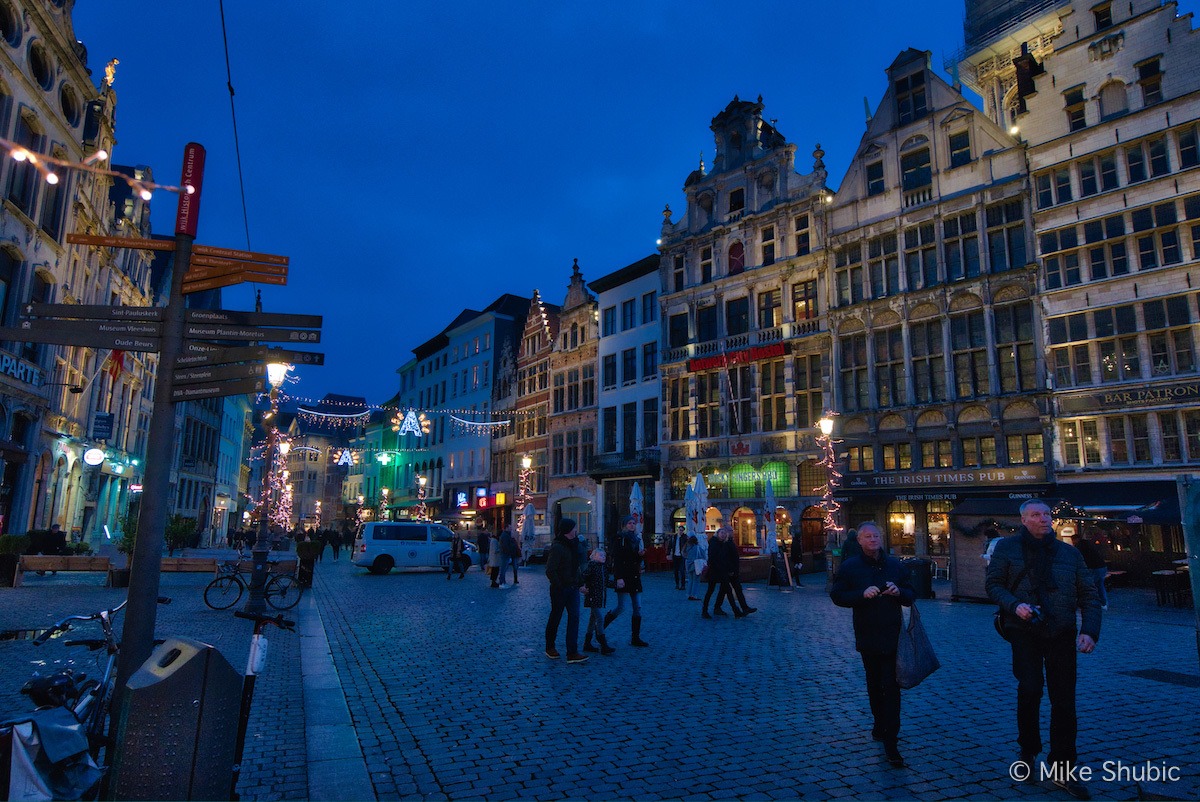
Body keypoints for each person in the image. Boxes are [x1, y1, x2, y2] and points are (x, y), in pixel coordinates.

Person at [986, 499, 1101, 801]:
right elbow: (994, 585)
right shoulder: (1006, 549)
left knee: (1064, 699)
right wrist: (1015, 605)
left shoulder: (1069, 553)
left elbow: (1089, 594)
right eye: (1036, 515)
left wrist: (1090, 631)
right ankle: (1028, 750)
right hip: (1023, 630)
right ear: (1023, 520)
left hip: (1061, 631)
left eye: (1047, 514)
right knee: (1031, 688)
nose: (1044, 519)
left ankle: (1063, 765)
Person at [830, 521, 914, 768]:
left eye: (876, 535)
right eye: (868, 536)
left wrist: (899, 591)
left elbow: (911, 595)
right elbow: (837, 596)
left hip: (892, 635)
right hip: (867, 635)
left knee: (891, 686)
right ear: (859, 540)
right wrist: (860, 595)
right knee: (874, 684)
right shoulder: (850, 567)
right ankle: (879, 723)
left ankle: (891, 742)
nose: (873, 539)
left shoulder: (895, 565)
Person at [544, 518, 588, 664]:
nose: (577, 530)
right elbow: (550, 570)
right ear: (569, 530)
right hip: (560, 589)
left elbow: (576, 566)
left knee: (574, 618)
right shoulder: (558, 547)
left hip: (573, 587)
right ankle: (550, 647)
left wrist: (580, 583)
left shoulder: (574, 545)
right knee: (556, 616)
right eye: (575, 528)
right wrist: (559, 585)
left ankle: (572, 652)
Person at [604, 516, 649, 647]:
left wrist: (640, 556)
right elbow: (617, 559)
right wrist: (618, 577)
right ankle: (600, 627)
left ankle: (635, 637)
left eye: (633, 523)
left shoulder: (636, 539)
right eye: (629, 523)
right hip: (624, 576)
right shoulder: (620, 539)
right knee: (621, 607)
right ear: (624, 525)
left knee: (638, 607)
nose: (632, 525)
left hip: (634, 576)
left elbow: (633, 557)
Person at [701, 527, 745, 619]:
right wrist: (720, 567)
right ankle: (704, 611)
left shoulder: (723, 544)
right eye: (721, 533)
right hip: (714, 571)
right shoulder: (713, 543)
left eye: (725, 533)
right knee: (710, 591)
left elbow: (724, 558)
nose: (723, 534)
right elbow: (712, 558)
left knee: (728, 590)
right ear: (717, 533)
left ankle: (736, 611)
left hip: (722, 571)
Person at [581, 548, 615, 655]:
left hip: (599, 597)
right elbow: (583, 577)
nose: (603, 557)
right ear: (594, 556)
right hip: (592, 597)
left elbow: (605, 583)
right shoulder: (592, 566)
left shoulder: (604, 568)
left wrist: (616, 585)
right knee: (600, 618)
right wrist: (583, 587)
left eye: (604, 556)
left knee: (592, 619)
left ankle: (587, 644)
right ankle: (603, 644)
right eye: (600, 555)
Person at [1073, 531, 1108, 611]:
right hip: (1101, 566)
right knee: (1100, 585)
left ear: (1075, 539)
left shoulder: (1080, 546)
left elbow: (1080, 557)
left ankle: (1090, 603)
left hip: (1094, 567)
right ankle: (1103, 603)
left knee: (1090, 585)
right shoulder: (1088, 544)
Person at [667, 524, 688, 590]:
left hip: (682, 556)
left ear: (683, 531)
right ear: (677, 530)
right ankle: (677, 584)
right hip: (675, 555)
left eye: (682, 530)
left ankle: (683, 585)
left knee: (682, 571)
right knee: (675, 571)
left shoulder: (685, 537)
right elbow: (670, 546)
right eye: (680, 530)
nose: (680, 531)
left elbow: (687, 546)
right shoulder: (674, 537)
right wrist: (668, 553)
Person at [685, 535, 702, 600]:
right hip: (696, 566)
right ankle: (694, 595)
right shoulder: (697, 547)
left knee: (690, 580)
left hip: (688, 565)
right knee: (696, 581)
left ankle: (688, 594)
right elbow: (703, 555)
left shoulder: (687, 547)